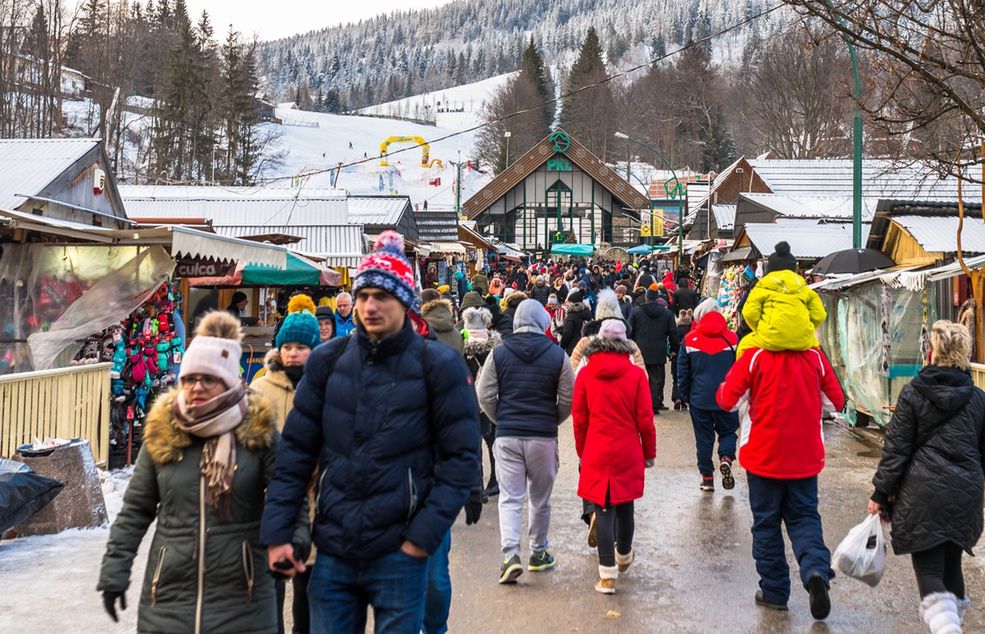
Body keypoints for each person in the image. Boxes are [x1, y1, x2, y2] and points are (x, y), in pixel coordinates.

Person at [260, 230, 480, 634]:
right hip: (334, 548)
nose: (370, 306)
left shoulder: (438, 366)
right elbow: (294, 454)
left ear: (405, 301)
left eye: (382, 296)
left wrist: (421, 537)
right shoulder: (327, 363)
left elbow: (461, 457)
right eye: (362, 296)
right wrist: (279, 532)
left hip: (401, 552)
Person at [98, 312, 303, 633]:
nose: (196, 387)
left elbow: (288, 494)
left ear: (228, 381)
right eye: (190, 378)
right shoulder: (164, 432)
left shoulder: (257, 431)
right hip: (169, 596)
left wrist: (294, 542)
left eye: (208, 379)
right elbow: (136, 509)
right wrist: (114, 572)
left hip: (244, 597)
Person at [716, 338, 845, 621]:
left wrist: (726, 385)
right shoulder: (815, 357)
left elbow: (728, 401)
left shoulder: (754, 357)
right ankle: (815, 572)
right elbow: (836, 401)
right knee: (805, 518)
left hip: (763, 458)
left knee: (766, 524)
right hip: (805, 458)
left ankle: (774, 592)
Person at [869, 321, 985, 633]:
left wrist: (880, 493)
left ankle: (948, 629)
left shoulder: (913, 393)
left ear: (932, 352)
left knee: (930, 569)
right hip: (966, 493)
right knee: (952, 565)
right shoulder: (977, 398)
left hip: (921, 493)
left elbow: (896, 449)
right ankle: (952, 625)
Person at [477, 299, 576, 584]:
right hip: (543, 435)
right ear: (543, 321)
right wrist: (552, 419)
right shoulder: (557, 355)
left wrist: (501, 418)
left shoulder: (498, 352)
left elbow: (484, 394)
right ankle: (538, 552)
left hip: (508, 434)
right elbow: (569, 397)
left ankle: (510, 555)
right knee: (540, 499)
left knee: (510, 497)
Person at [250, 299, 320, 634]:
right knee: (270, 588)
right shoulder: (259, 390)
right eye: (287, 347)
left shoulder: (323, 386)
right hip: (270, 500)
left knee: (307, 589)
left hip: (314, 500)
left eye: (301, 348)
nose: (293, 354)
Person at [572, 319, 656, 594]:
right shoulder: (636, 376)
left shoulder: (585, 375)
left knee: (603, 509)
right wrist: (649, 453)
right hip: (627, 449)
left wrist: (582, 450)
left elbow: (579, 419)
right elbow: (646, 420)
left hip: (596, 449)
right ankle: (624, 555)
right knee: (625, 506)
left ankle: (607, 576)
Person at [677, 299, 739, 492]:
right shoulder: (733, 339)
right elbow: (740, 369)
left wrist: (685, 396)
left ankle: (707, 479)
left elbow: (682, 371)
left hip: (699, 398)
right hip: (727, 396)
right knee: (728, 432)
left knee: (704, 440)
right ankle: (726, 457)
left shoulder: (689, 340)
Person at [737, 242, 826, 358]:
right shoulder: (805, 290)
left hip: (769, 340)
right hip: (802, 341)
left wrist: (760, 328)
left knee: (743, 347)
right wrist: (804, 328)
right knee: (819, 353)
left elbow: (749, 313)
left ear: (770, 269)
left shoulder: (761, 288)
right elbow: (819, 315)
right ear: (794, 269)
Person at [462, 306, 503, 498]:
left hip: (470, 401)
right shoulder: (496, 346)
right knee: (493, 442)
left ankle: (477, 486)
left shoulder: (462, 346)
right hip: (492, 400)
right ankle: (495, 481)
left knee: (474, 444)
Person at [629, 285, 680, 414]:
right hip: (658, 351)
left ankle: (640, 404)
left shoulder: (636, 312)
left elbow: (629, 332)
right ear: (657, 298)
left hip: (639, 351)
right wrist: (674, 349)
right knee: (657, 380)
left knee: (639, 378)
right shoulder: (667, 314)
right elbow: (673, 333)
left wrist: (629, 349)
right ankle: (654, 404)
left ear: (646, 297)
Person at [569, 289, 644, 370]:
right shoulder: (630, 345)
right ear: (618, 313)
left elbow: (572, 370)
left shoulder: (585, 342)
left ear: (598, 313)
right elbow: (642, 373)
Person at [671, 308, 694, 411]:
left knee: (676, 379)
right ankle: (685, 401)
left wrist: (671, 353)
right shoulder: (691, 332)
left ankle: (676, 398)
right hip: (688, 358)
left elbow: (672, 342)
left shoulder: (676, 331)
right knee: (687, 378)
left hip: (676, 357)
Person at [559, 289, 592, 356]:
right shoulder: (587, 314)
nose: (567, 304)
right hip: (586, 347)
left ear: (574, 303)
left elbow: (567, 334)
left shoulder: (571, 316)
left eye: (569, 302)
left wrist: (562, 347)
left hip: (572, 348)